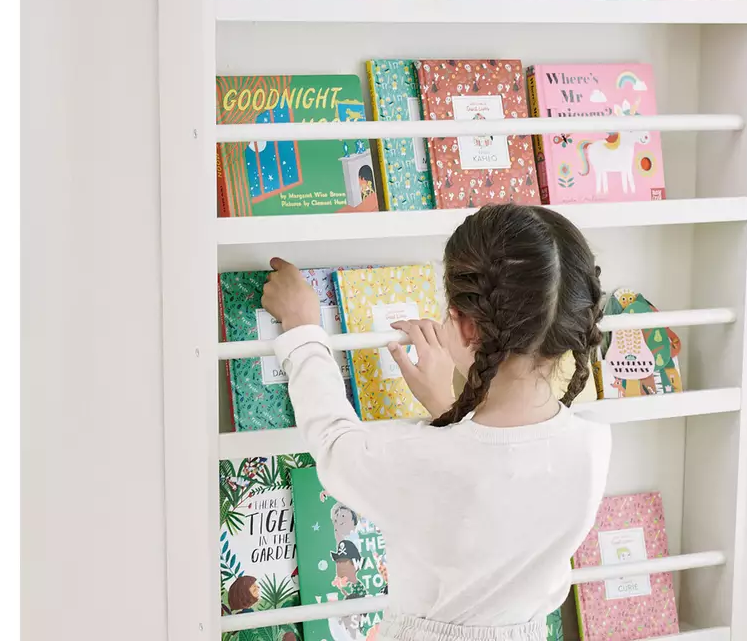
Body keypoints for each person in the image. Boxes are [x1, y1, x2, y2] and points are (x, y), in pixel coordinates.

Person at [260, 203, 612, 641]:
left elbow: (335, 443)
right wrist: (446, 407)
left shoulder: (424, 456)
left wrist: (302, 329)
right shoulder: (592, 446)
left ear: (465, 328)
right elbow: (494, 494)